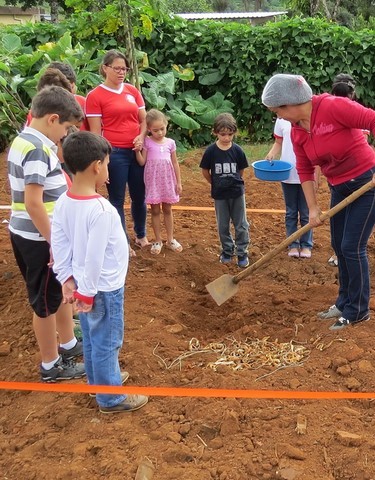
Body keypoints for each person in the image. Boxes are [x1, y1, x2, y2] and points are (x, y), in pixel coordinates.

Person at [262, 73, 375, 331]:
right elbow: (304, 168)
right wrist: (313, 207)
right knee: (338, 244)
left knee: (351, 247)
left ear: (290, 103)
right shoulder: (297, 130)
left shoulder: (334, 106)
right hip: (338, 186)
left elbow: (372, 120)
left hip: (366, 183)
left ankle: (358, 310)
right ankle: (344, 300)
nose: (277, 117)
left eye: (277, 111)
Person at [51, 130, 148, 413]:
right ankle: (110, 397)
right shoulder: (102, 210)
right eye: (106, 164)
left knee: (94, 337)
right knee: (107, 340)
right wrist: (89, 293)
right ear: (97, 166)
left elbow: (59, 243)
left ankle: (100, 381)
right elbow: (94, 257)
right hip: (102, 288)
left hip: (85, 284)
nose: (108, 169)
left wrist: (67, 279)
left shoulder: (64, 201)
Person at [7, 86, 85, 381]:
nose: (65, 135)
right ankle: (51, 365)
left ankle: (68, 344)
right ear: (53, 119)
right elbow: (33, 202)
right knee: (43, 305)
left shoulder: (24, 139)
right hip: (39, 239)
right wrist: (56, 243)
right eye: (65, 127)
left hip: (32, 234)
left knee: (57, 294)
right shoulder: (38, 149)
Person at [85, 50, 148, 254]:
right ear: (105, 68)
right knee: (117, 199)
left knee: (140, 195)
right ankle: (122, 241)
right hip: (115, 153)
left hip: (136, 151)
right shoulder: (95, 96)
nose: (122, 72)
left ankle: (141, 235)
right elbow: (95, 132)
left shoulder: (132, 91)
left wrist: (141, 136)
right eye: (117, 68)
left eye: (124, 69)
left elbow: (143, 119)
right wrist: (104, 158)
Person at [327, 73, 370, 267]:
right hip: (342, 174)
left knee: (349, 233)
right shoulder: (339, 109)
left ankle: (343, 252)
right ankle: (342, 252)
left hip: (354, 174)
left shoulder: (350, 110)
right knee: (346, 225)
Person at [199, 113, 250, 268]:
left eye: (230, 134)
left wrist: (233, 182)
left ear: (234, 133)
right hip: (220, 194)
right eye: (223, 134)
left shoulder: (238, 151)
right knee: (223, 225)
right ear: (215, 133)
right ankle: (227, 251)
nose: (226, 138)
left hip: (236, 192)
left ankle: (242, 252)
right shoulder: (211, 152)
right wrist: (215, 183)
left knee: (241, 224)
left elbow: (241, 171)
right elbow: (205, 171)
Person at [135, 109, 183, 255]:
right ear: (149, 129)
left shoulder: (170, 143)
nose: (160, 133)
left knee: (168, 209)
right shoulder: (147, 143)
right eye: (155, 130)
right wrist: (137, 151)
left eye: (162, 129)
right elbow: (142, 162)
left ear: (166, 125)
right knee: (155, 211)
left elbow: (175, 163)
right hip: (153, 182)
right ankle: (157, 240)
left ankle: (170, 239)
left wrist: (178, 182)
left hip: (168, 181)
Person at [266, 118, 313, 259]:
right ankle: (292, 244)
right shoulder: (281, 120)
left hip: (306, 172)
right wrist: (272, 153)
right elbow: (278, 142)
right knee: (291, 212)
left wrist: (316, 172)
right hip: (287, 173)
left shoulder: (308, 117)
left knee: (306, 212)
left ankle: (306, 245)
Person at [48, 61, 90, 131]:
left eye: (72, 87)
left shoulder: (83, 102)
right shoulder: (41, 110)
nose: (70, 93)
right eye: (66, 89)